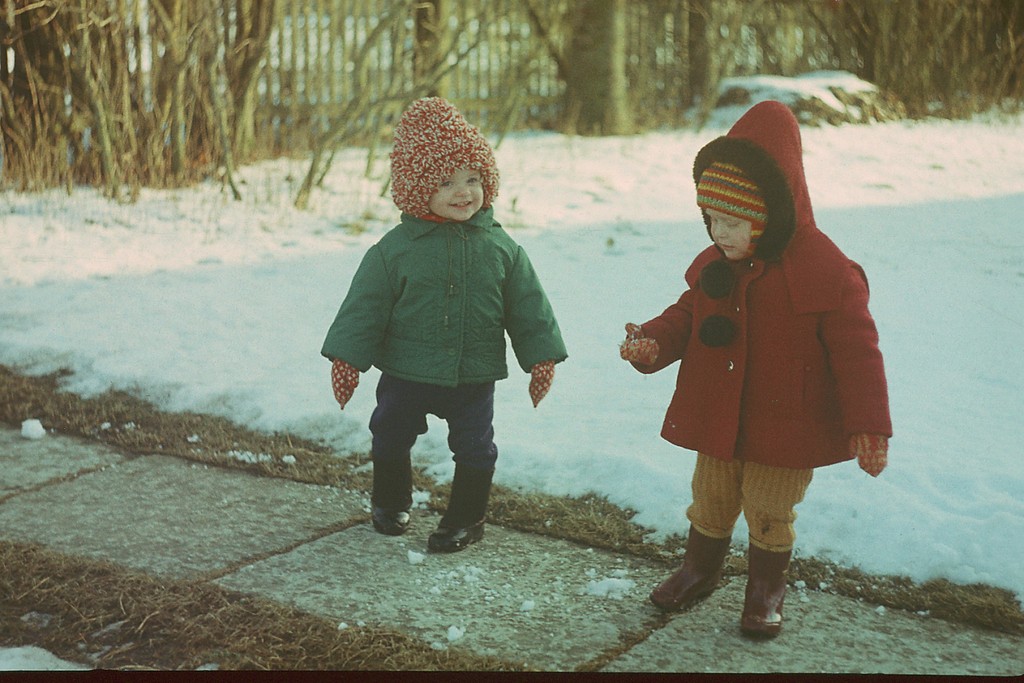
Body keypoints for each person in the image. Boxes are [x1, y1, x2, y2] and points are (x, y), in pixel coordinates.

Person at [619, 100, 891, 638]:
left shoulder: (828, 273)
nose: (719, 233)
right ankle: (700, 568)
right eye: (711, 219)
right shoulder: (716, 265)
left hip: (787, 419)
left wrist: (869, 423)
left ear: (771, 213)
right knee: (712, 498)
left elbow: (859, 353)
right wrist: (653, 341)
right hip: (718, 413)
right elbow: (688, 313)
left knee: (769, 507)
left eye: (733, 221)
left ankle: (766, 587)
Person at [322, 97, 567, 553]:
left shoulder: (502, 249)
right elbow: (364, 307)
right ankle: (390, 500)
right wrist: (347, 359)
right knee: (390, 433)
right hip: (406, 372)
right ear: (418, 189)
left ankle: (466, 519)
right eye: (447, 181)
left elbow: (528, 307)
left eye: (474, 179)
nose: (464, 192)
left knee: (475, 446)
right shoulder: (394, 251)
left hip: (472, 375)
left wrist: (541, 356)